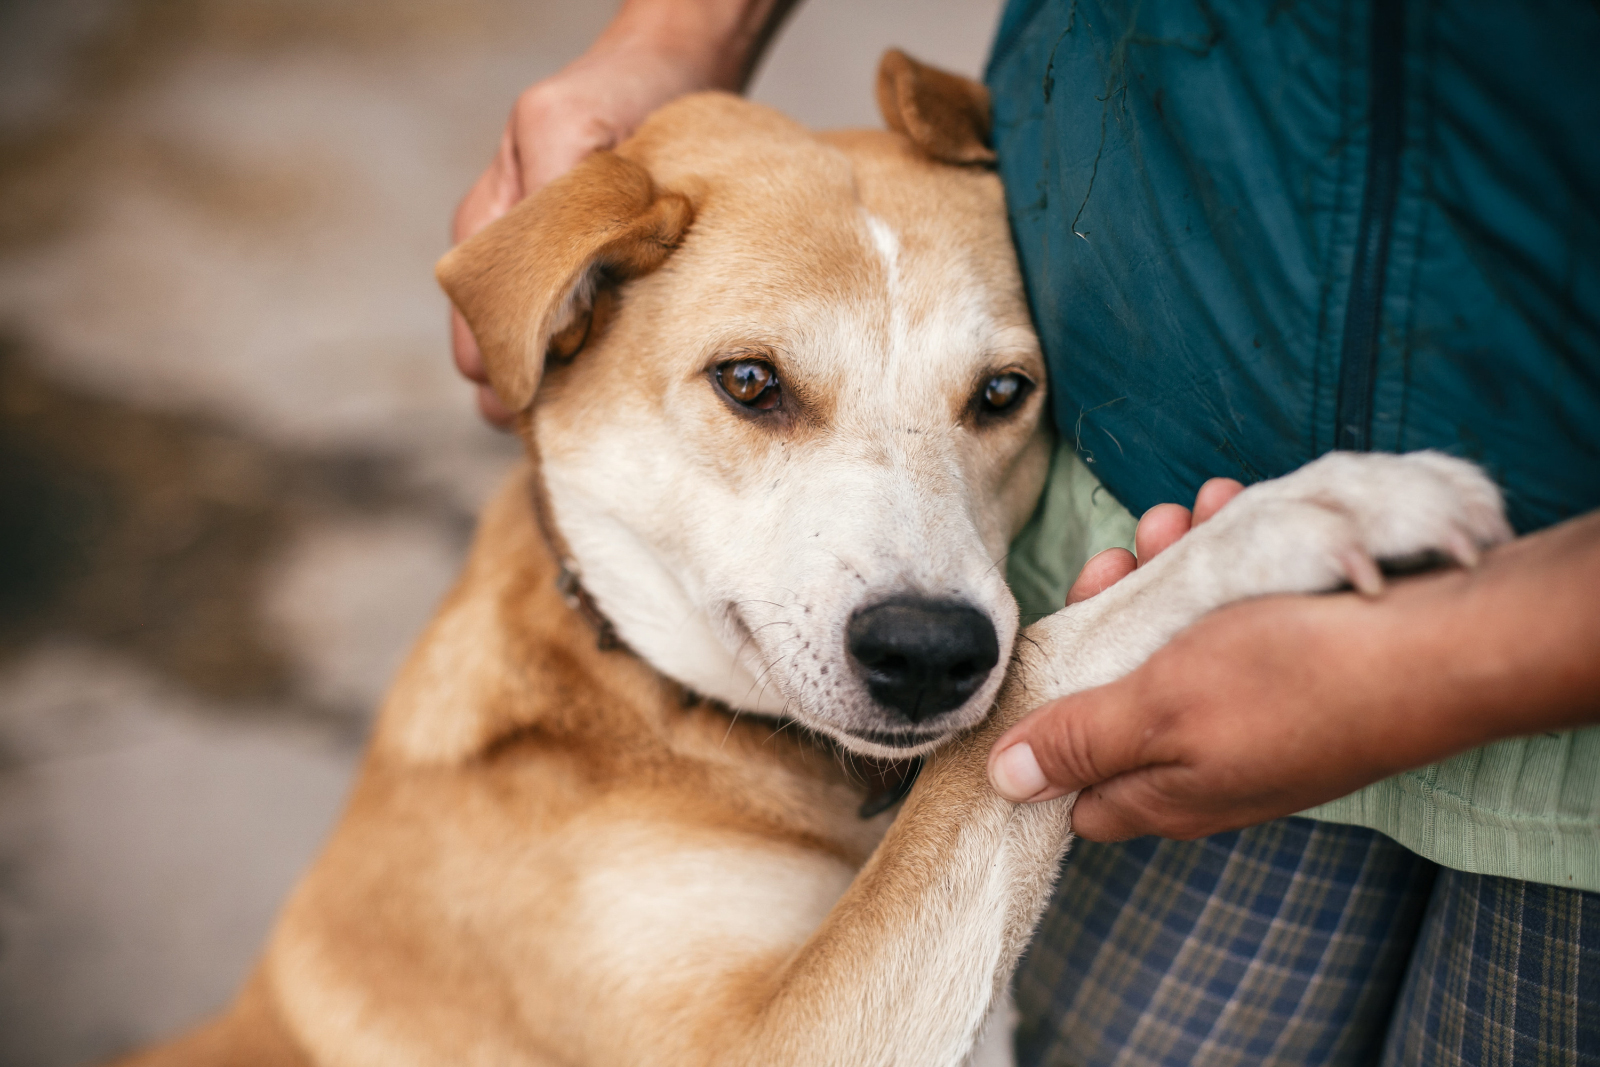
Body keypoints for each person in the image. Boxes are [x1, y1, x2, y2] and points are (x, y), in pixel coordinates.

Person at [448, 2, 1600, 1063]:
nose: (913, 585)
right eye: (756, 385)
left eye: (992, 396)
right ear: (570, 313)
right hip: (1182, 571)